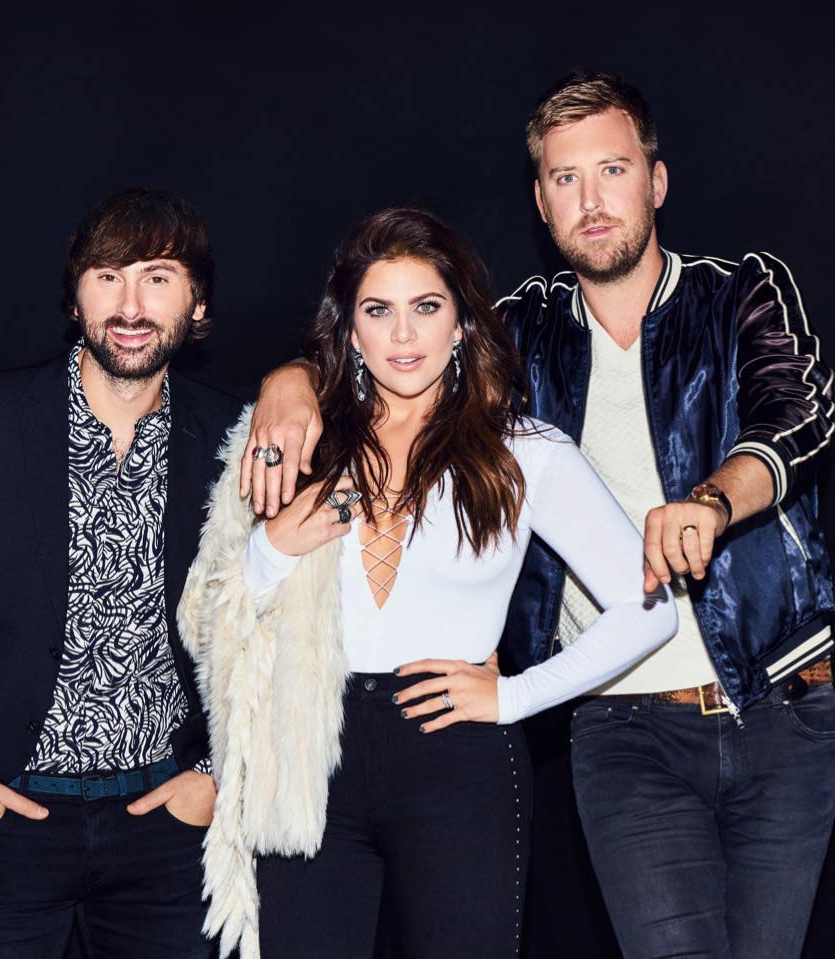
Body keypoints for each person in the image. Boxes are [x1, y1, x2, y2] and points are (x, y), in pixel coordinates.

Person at [248, 73, 835, 959]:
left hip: (778, 701)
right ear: (540, 201)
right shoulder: (519, 333)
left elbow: (796, 415)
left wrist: (713, 500)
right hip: (618, 722)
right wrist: (287, 380)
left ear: (656, 181)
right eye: (566, 178)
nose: (590, 201)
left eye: (612, 170)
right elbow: (400, 337)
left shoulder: (738, 294)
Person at [178, 207, 678, 959]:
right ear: (351, 330)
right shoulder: (297, 441)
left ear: (461, 324)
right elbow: (205, 624)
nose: (404, 334)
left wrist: (515, 696)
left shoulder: (524, 452)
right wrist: (273, 548)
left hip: (458, 759)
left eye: (427, 307)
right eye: (379, 311)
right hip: (310, 753)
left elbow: (651, 610)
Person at [0, 187, 242, 959]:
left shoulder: (232, 435)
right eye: (108, 276)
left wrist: (220, 773)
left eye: (158, 277)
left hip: (167, 827)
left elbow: (266, 618)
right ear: (75, 300)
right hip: (7, 819)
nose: (131, 305)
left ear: (198, 303)